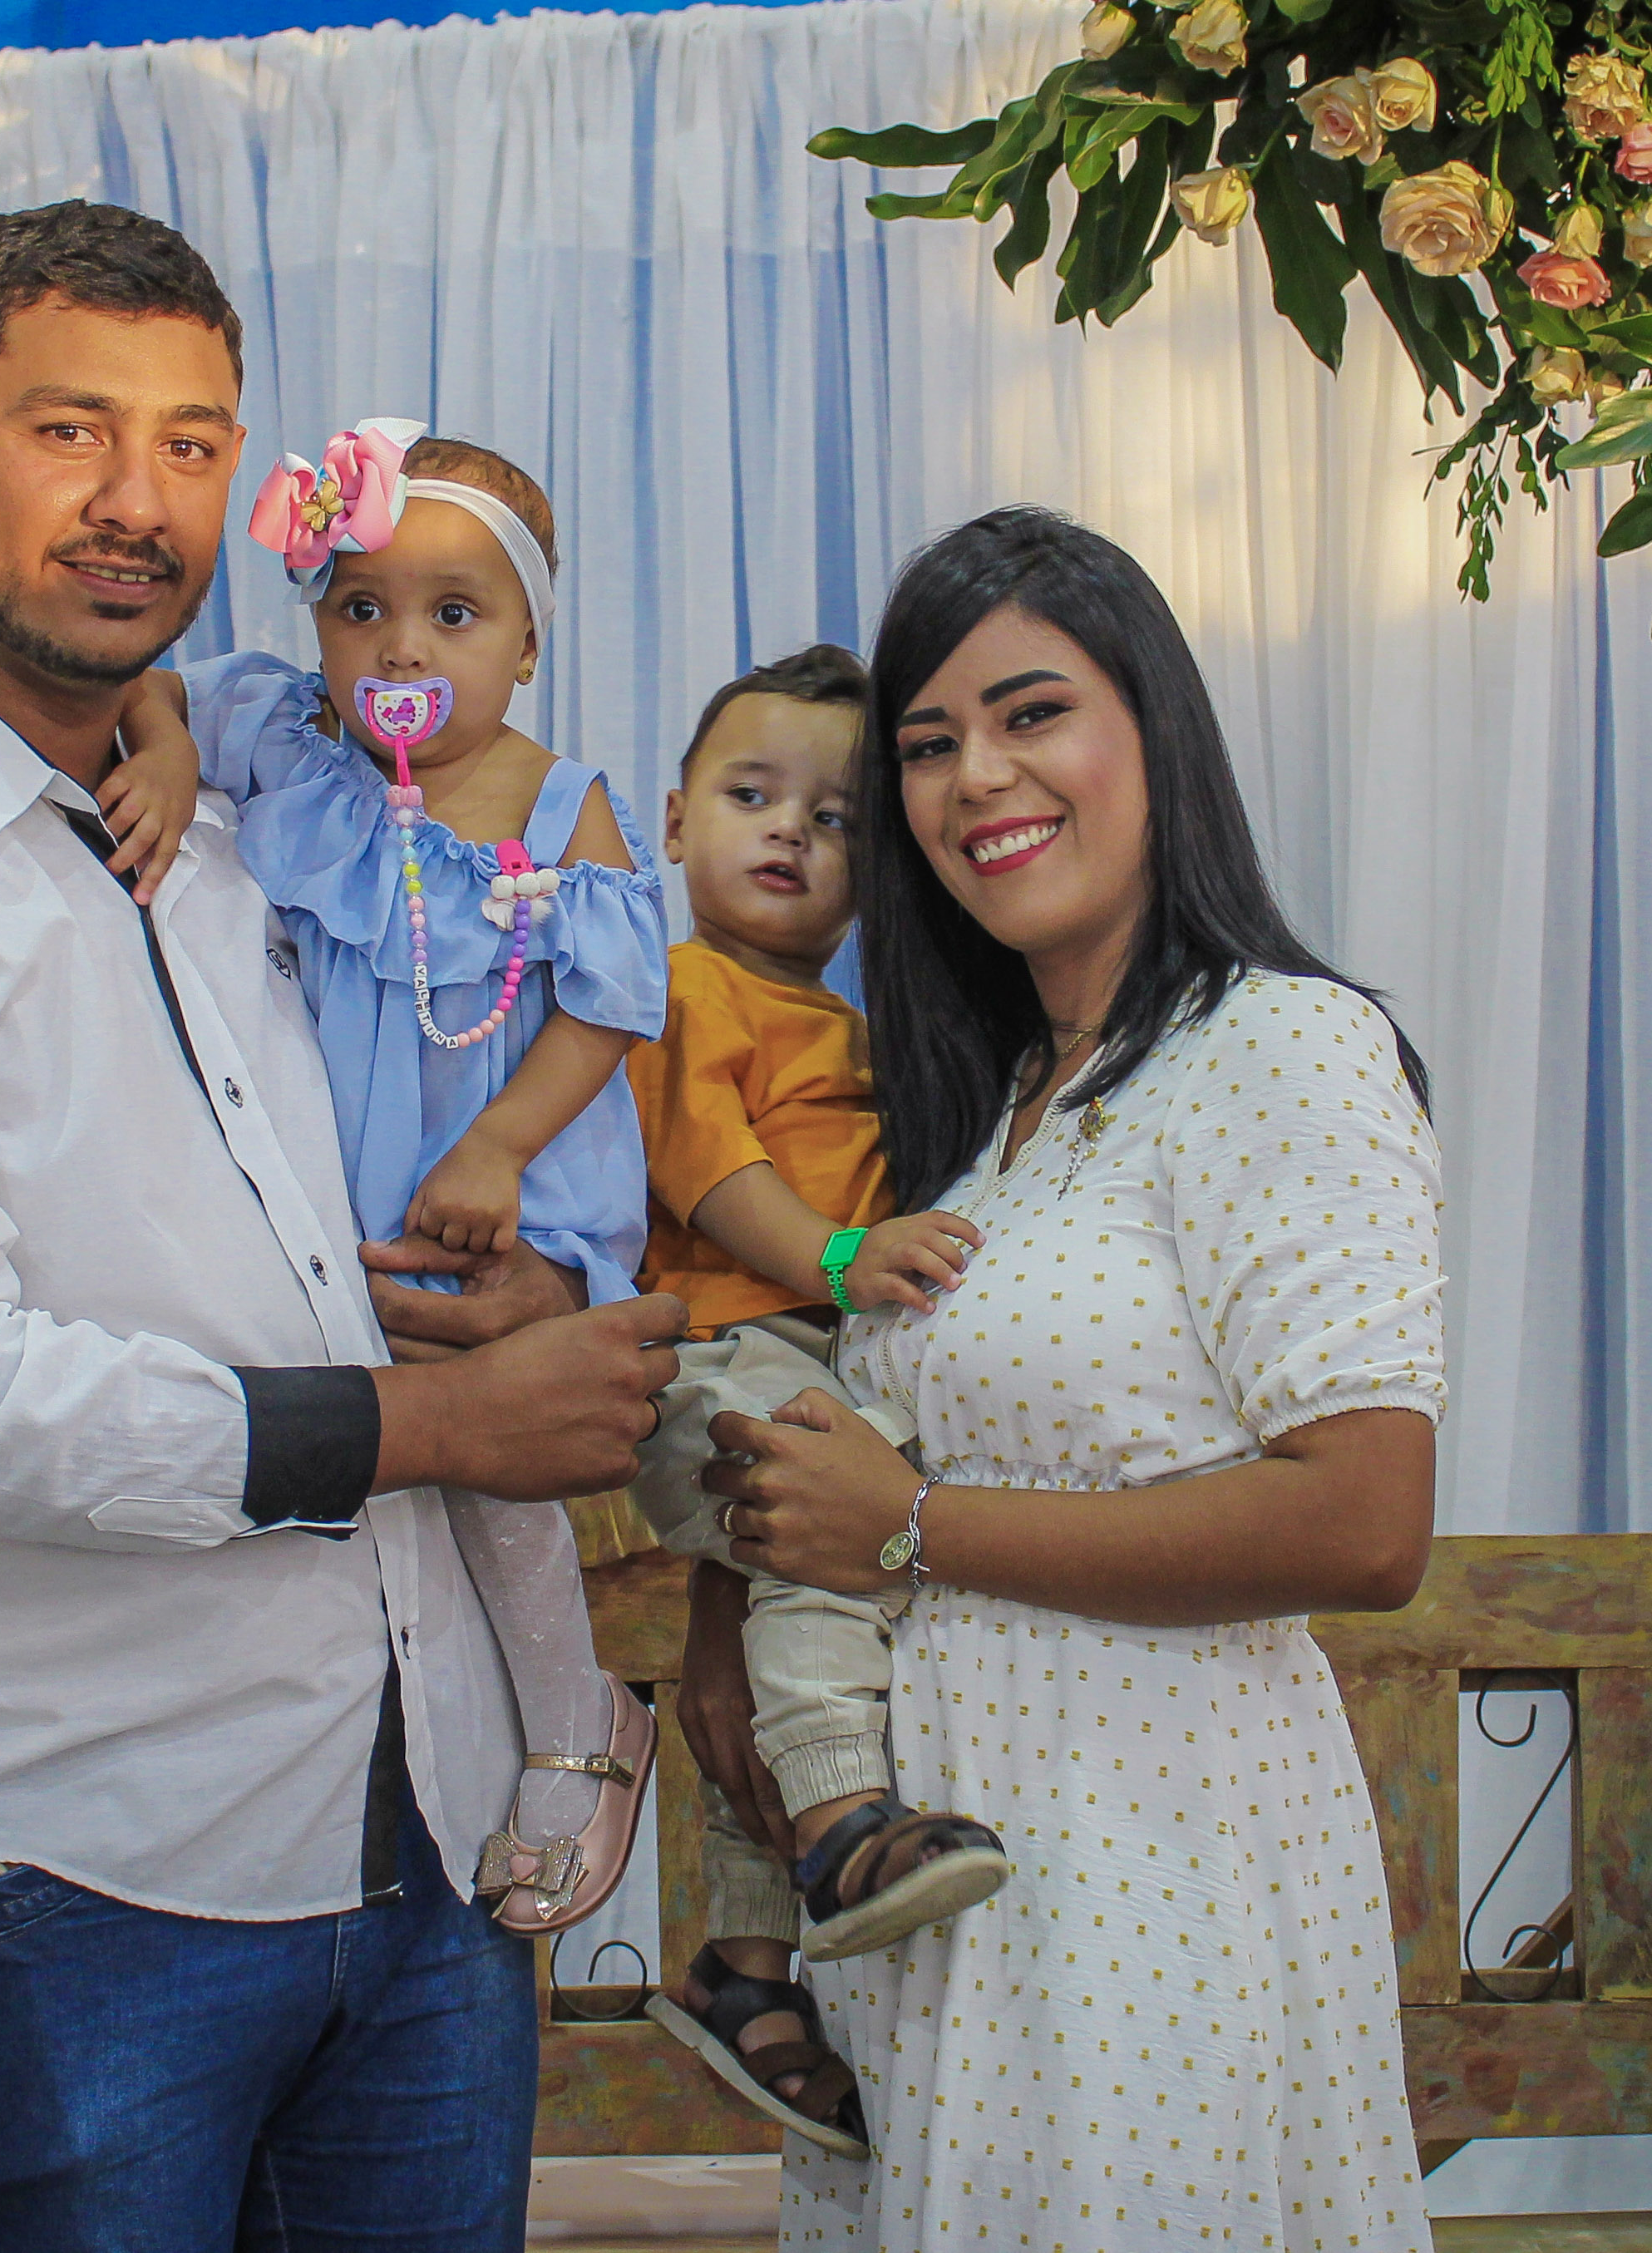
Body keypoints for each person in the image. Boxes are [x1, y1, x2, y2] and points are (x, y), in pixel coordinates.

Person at [0, 200, 683, 2253]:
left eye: (188, 444)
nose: (134, 500)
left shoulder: (245, 826)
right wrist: (439, 1425)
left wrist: (521, 1295)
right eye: (69, 429)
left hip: (420, 1834)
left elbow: (363, 1187)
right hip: (78, 1883)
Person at [690, 508, 1442, 2250]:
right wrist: (739, 1600)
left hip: (1144, 1878)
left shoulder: (1280, 1044)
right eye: (925, 745)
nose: (976, 778)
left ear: (1152, 730)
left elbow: (1361, 1521)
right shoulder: (990, 1109)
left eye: (1031, 714)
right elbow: (834, 1426)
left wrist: (912, 1526)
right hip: (926, 1901)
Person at [108, 417, 668, 1933]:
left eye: (453, 612)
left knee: (477, 1448)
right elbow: (149, 682)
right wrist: (170, 751)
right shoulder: (292, 740)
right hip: (334, 1190)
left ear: (526, 646)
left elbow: (612, 1004)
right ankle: (399, 1752)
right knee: (369, 1452)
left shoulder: (557, 805)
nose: (400, 645)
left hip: (496, 1186)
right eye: (360, 607)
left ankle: (579, 1720)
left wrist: (498, 1145)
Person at [594, 647, 1010, 2161]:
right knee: (833, 1528)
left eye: (833, 818)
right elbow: (708, 1166)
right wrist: (841, 1257)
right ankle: (837, 1825)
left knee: (803, 1596)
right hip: (717, 1345)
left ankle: (744, 1962)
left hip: (793, 1351)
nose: (788, 831)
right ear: (672, 818)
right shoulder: (666, 984)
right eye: (749, 795)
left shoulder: (854, 1024)